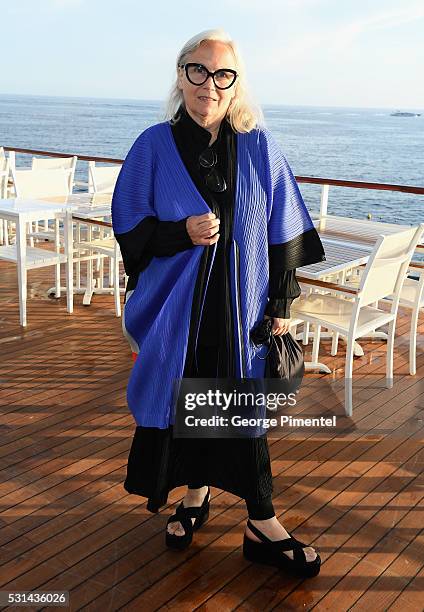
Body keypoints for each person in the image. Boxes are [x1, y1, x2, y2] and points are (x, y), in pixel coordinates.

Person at [112, 29, 325, 578]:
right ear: (181, 75)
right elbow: (132, 231)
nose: (209, 84)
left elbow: (283, 226)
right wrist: (181, 232)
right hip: (179, 313)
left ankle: (262, 521)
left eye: (222, 74)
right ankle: (195, 494)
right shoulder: (153, 146)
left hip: (241, 311)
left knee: (240, 409)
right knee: (186, 401)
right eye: (198, 71)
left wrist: (280, 297)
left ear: (236, 85)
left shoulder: (259, 145)